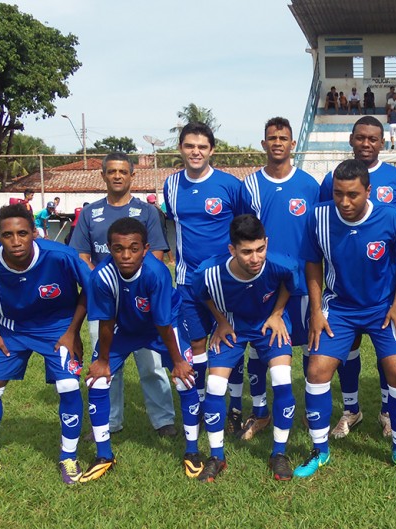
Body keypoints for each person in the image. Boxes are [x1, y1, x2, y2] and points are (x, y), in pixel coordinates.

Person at [297, 159, 396, 478]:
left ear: (368, 190)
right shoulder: (318, 217)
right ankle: (318, 450)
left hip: (383, 307)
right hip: (339, 307)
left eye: (352, 194)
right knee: (316, 370)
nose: (344, 202)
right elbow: (312, 261)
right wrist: (314, 310)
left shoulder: (390, 216)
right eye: (338, 194)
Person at [0, 203, 90, 488]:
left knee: (68, 385)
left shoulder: (61, 256)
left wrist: (73, 331)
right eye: (8, 235)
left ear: (35, 232)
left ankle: (68, 457)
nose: (16, 241)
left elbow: (90, 290)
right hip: (10, 328)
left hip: (57, 327)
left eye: (23, 233)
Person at [317, 116, 396, 439]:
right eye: (360, 138)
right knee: (348, 348)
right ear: (351, 139)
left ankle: (388, 411)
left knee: (391, 358)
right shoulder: (333, 180)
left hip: (383, 294)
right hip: (343, 292)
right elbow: (325, 229)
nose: (366, 144)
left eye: (373, 139)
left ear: (383, 142)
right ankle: (351, 409)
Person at [80, 218, 201, 482]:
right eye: (118, 248)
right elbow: (105, 320)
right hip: (124, 328)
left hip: (165, 327)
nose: (126, 255)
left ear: (145, 248)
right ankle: (104, 455)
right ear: (109, 249)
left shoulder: (155, 272)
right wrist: (102, 360)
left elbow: (162, 323)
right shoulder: (100, 276)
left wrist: (178, 361)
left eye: (133, 248)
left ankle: (192, 450)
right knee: (97, 381)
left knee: (185, 378)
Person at [69, 152, 177, 439]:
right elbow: (80, 254)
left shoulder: (147, 212)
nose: (117, 176)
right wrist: (102, 281)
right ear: (103, 175)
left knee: (151, 363)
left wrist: (130, 281)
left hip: (141, 301)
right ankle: (110, 422)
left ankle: (163, 420)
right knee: (105, 361)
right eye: (112, 171)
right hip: (103, 298)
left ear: (132, 175)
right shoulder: (90, 212)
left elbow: (155, 254)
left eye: (123, 171)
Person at [193, 215, 300, 481]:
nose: (255, 258)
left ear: (266, 242)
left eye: (260, 249)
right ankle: (216, 456)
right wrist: (220, 322)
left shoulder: (281, 264)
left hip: (268, 324)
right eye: (247, 252)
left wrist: (277, 313)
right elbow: (203, 295)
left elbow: (289, 285)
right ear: (232, 250)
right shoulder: (209, 272)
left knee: (281, 378)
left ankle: (279, 453)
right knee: (216, 386)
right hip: (232, 326)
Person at [235, 117, 320, 441]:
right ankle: (260, 413)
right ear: (263, 144)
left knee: (312, 349)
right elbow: (245, 233)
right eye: (272, 137)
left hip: (301, 283)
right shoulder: (250, 186)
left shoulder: (310, 186)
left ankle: (313, 414)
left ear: (293, 144)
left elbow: (319, 234)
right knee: (259, 350)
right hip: (264, 285)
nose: (278, 142)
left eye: (283, 137)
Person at [163, 122, 244, 417]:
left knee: (230, 341)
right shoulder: (171, 184)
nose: (196, 152)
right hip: (188, 279)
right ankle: (196, 403)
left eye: (202, 146)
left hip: (226, 279)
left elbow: (243, 227)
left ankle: (234, 406)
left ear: (212, 149)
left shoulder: (230, 185)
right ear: (181, 148)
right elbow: (174, 223)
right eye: (189, 146)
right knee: (197, 342)